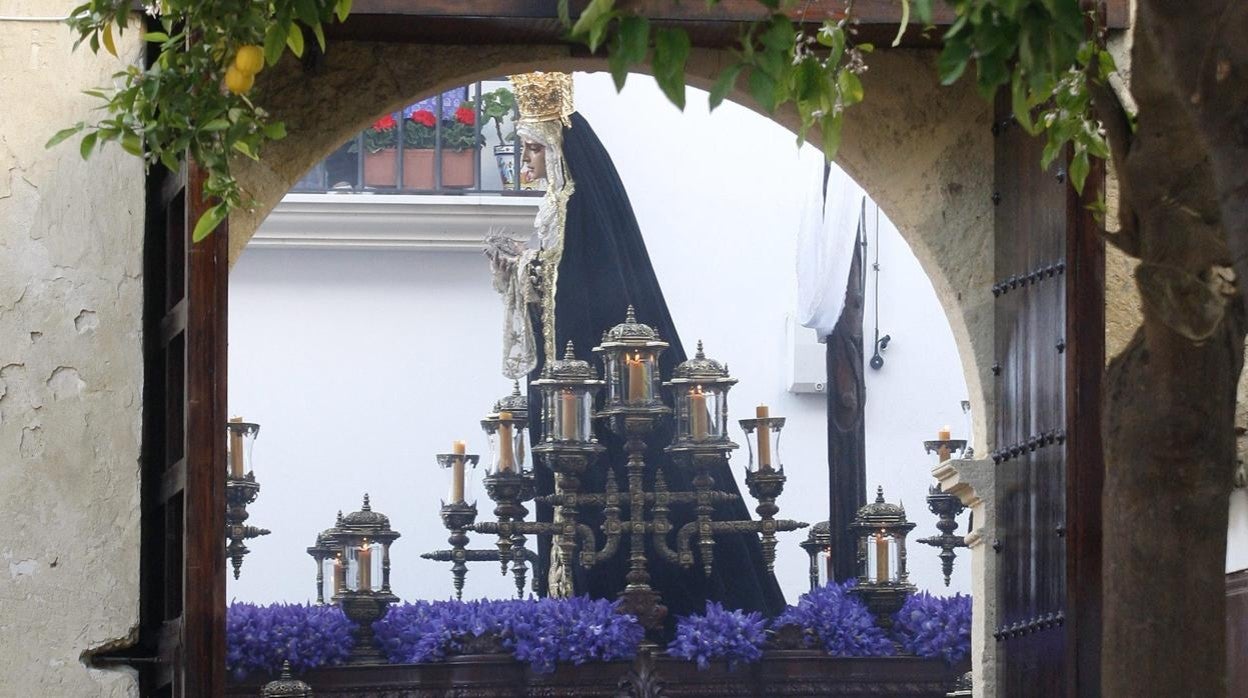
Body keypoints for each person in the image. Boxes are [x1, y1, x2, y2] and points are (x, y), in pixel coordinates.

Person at [487, 72, 786, 627]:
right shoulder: (558, 209)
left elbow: (582, 292)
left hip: (603, 401)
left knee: (622, 502)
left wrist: (527, 269)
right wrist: (525, 272)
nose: (524, 162)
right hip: (568, 398)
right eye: (524, 148)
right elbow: (559, 289)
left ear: (559, 152)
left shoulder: (578, 209)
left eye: (532, 149)